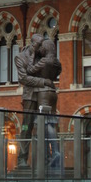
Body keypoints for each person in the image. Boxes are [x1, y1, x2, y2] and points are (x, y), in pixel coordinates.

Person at [14, 34, 55, 167]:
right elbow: (24, 79)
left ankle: (46, 158)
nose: (41, 48)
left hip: (42, 94)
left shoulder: (42, 55)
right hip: (30, 96)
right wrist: (44, 82)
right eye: (39, 45)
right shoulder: (20, 57)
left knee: (45, 126)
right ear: (33, 44)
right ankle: (22, 159)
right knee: (27, 126)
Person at [28, 37, 62, 168]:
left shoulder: (44, 61)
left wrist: (33, 54)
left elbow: (30, 70)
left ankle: (55, 152)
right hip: (53, 92)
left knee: (45, 122)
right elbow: (57, 73)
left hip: (43, 93)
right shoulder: (56, 63)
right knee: (51, 121)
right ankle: (51, 154)